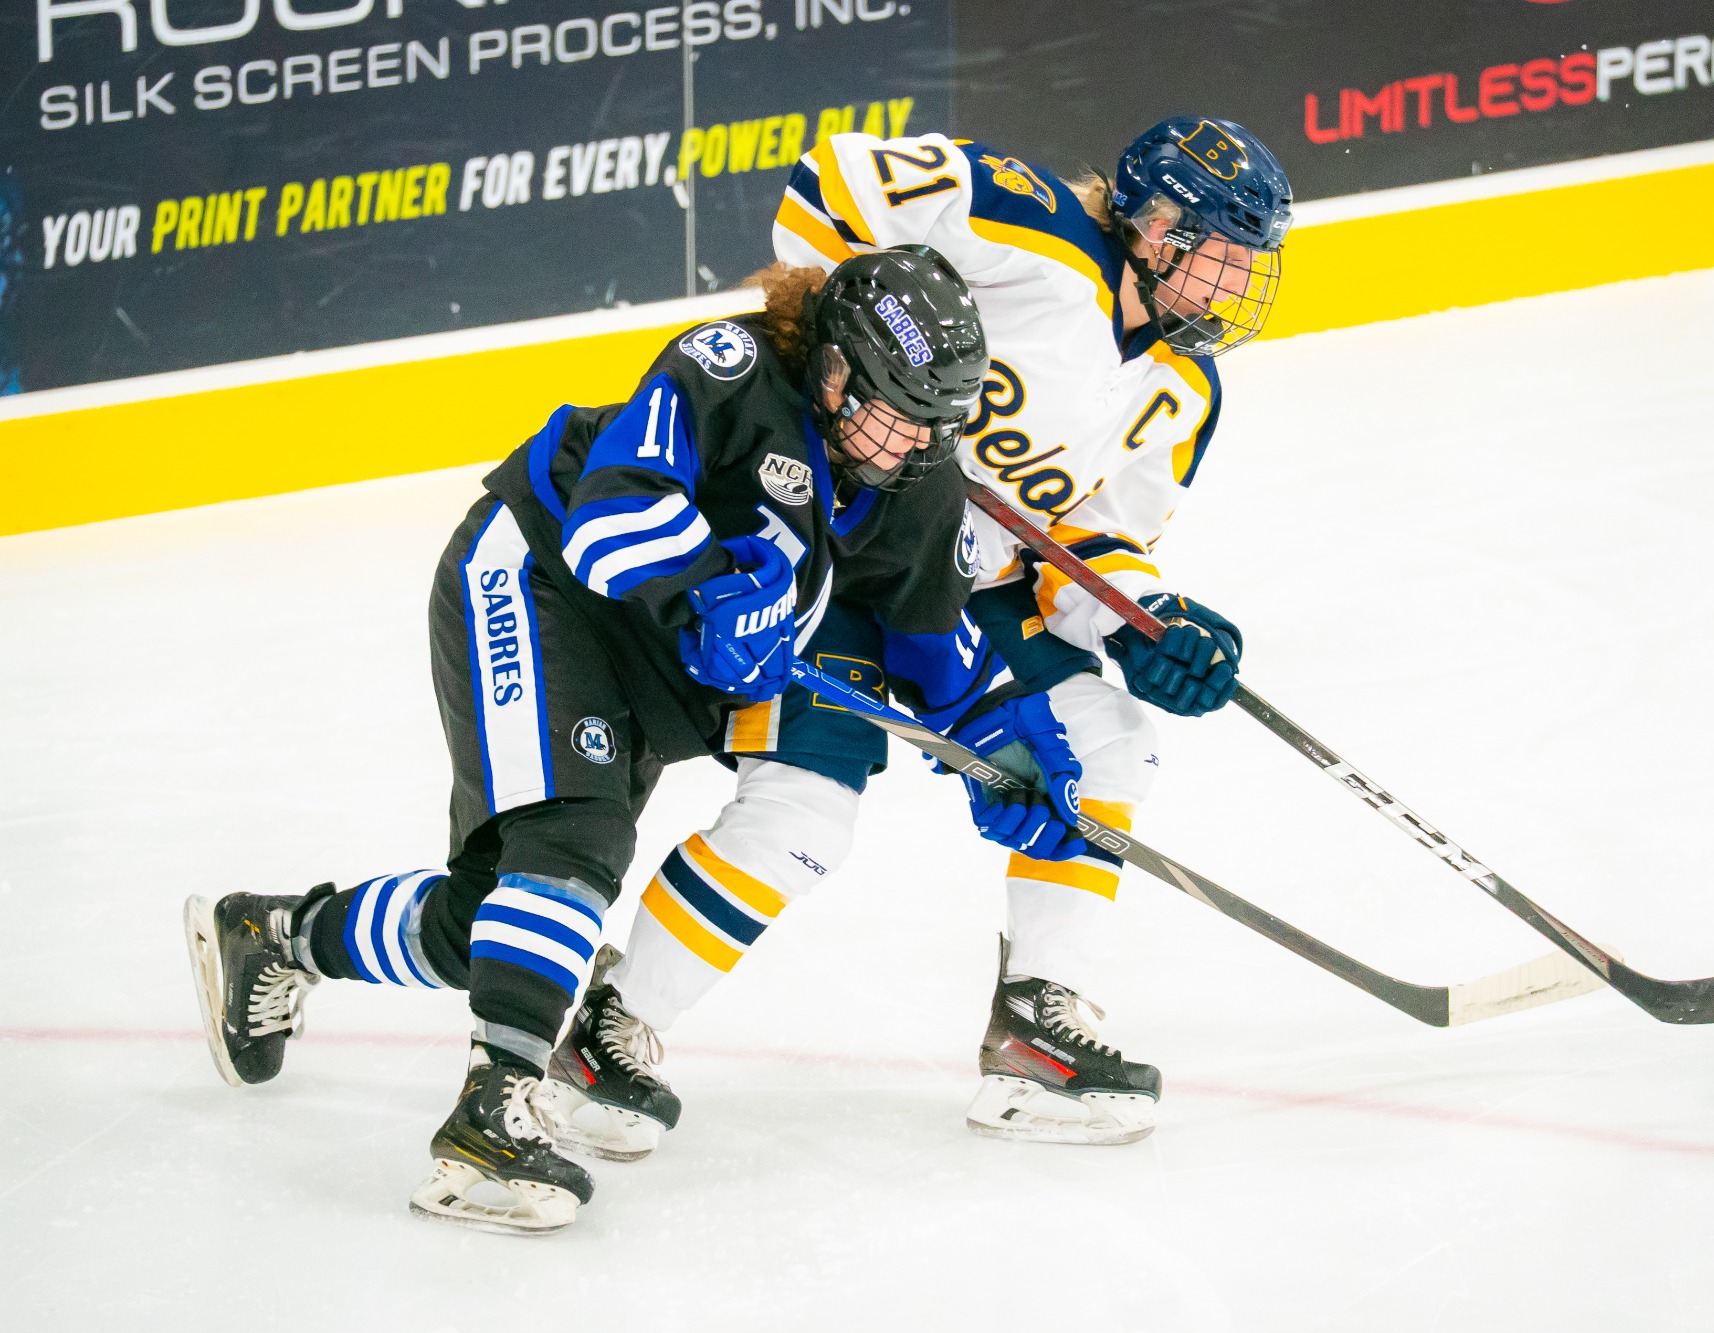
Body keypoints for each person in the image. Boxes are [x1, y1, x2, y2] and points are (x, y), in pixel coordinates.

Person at [182, 246, 1089, 1234]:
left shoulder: (915, 480)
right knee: (573, 849)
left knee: (485, 917)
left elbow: (938, 652)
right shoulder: (728, 369)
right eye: (887, 407)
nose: (905, 441)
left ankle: (274, 937)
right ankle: (489, 1121)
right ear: (831, 368)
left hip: (649, 670)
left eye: (931, 418)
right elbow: (612, 512)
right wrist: (706, 587)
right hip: (541, 584)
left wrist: (1007, 746)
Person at [761, 117, 1294, 1144]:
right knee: (790, 805)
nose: (1233, 289)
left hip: (974, 583)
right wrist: (856, 358)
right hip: (842, 526)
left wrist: (1145, 623)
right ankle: (607, 1010)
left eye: (1248, 265)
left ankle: (1033, 1034)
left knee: (1111, 743)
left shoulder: (1184, 392)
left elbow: (1089, 542)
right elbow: (827, 184)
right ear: (1156, 227)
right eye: (1224, 256)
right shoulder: (1034, 231)